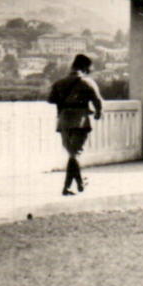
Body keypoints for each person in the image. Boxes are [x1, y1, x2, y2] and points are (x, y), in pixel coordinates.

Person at [48, 54, 105, 196]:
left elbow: (51, 99)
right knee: (75, 154)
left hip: (63, 121)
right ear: (85, 67)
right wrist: (98, 112)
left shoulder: (59, 83)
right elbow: (98, 101)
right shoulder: (88, 82)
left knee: (72, 154)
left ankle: (75, 184)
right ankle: (71, 185)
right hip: (80, 121)